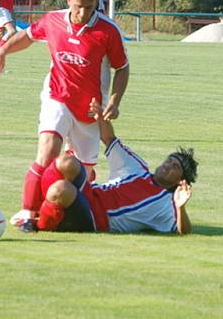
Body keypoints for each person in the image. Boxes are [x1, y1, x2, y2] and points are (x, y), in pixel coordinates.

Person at [0, 0, 129, 232]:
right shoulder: (53, 20)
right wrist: (1, 52)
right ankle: (28, 214)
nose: (82, 13)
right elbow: (27, 36)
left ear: (96, 3)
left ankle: (58, 214)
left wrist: (114, 102)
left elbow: (122, 68)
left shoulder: (108, 31)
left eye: (88, 7)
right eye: (77, 6)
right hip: (57, 96)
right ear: (68, 1)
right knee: (48, 149)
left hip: (90, 110)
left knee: (81, 172)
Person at [34, 98, 197, 235]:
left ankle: (38, 225)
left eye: (175, 166)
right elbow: (109, 138)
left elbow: (183, 231)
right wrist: (101, 117)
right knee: (67, 162)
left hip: (96, 218)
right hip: (90, 193)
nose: (168, 165)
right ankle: (38, 207)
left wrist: (180, 207)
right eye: (170, 160)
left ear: (180, 182)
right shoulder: (138, 167)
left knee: (61, 189)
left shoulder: (166, 203)